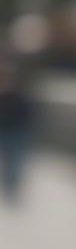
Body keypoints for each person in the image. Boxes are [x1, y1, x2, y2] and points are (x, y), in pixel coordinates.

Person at [0, 55, 33, 203]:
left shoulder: (20, 96)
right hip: (5, 131)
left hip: (16, 132)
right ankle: (9, 187)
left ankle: (12, 189)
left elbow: (27, 114)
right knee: (9, 162)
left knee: (15, 163)